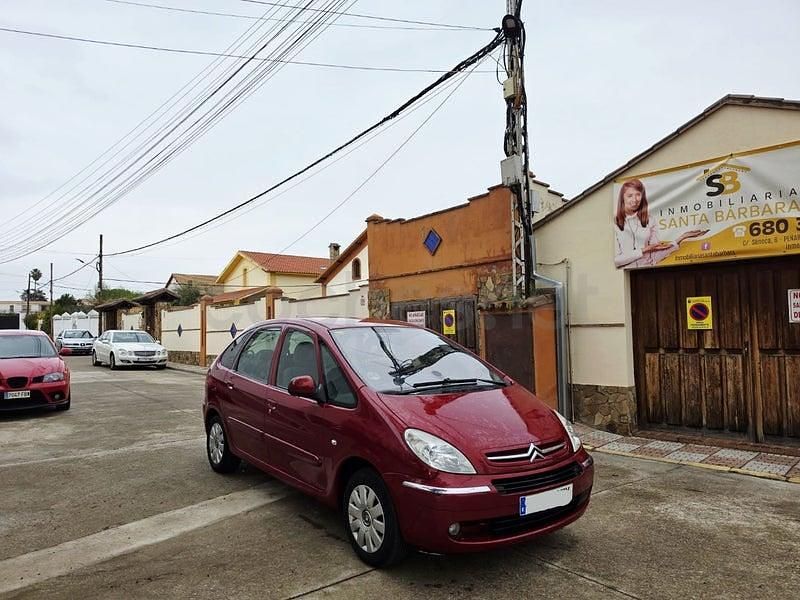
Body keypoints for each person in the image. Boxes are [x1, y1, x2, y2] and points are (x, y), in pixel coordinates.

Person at [614, 178, 705, 268]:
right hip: (626, 276)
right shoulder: (615, 222)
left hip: (648, 272)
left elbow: (654, 256)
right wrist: (644, 250)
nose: (635, 199)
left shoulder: (650, 220)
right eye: (630, 196)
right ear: (622, 198)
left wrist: (682, 237)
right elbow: (617, 261)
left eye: (638, 195)